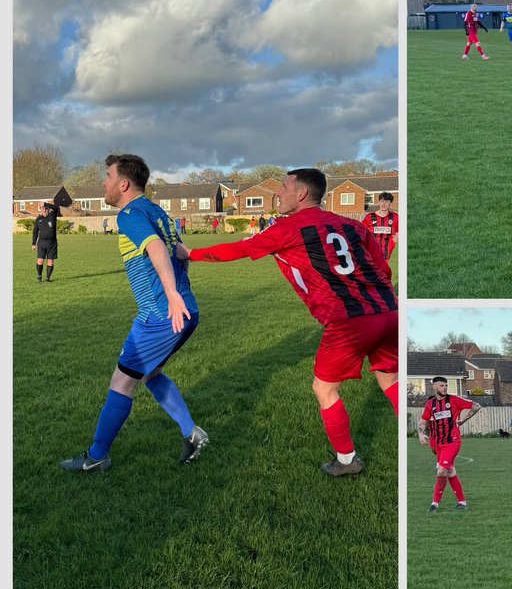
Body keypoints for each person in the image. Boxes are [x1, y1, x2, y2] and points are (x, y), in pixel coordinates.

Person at [183, 167, 399, 476]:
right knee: (389, 379)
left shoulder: (289, 228)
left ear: (301, 194)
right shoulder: (352, 224)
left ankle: (347, 461)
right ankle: (422, 429)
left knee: (324, 390)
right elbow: (383, 268)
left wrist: (191, 253)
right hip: (389, 311)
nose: (278, 194)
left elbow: (237, 250)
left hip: (349, 321)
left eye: (284, 188)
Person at [60, 154, 207, 472]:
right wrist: (180, 295)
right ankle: (191, 433)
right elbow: (181, 253)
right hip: (183, 310)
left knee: (122, 381)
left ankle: (97, 457)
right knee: (149, 372)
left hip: (161, 315)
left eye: (109, 177)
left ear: (123, 184)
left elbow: (156, 248)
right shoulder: (158, 212)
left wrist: (168, 296)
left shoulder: (129, 214)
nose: (105, 182)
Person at [418, 376, 480, 509]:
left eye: (446, 385)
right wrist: (420, 433)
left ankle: (434, 504)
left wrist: (463, 420)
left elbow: (476, 406)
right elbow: (423, 420)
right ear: (434, 387)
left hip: (453, 441)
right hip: (439, 444)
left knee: (441, 471)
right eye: (441, 385)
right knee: (450, 472)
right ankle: (462, 503)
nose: (444, 388)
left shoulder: (454, 400)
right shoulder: (431, 404)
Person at [364, 192, 398, 264]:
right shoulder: (369, 217)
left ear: (390, 203)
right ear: (379, 202)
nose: (384, 204)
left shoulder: (395, 217)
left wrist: (398, 236)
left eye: (387, 201)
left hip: (386, 255)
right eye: (382, 201)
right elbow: (360, 230)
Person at [33, 202, 60, 283]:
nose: (44, 210)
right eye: (42, 209)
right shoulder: (38, 219)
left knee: (50, 261)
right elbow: (35, 232)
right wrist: (33, 243)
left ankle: (48, 278)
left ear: (48, 209)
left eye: (45, 208)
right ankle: (39, 276)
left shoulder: (52, 216)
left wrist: (45, 203)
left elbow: (56, 207)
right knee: (40, 261)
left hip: (52, 243)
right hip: (41, 243)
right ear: (41, 210)